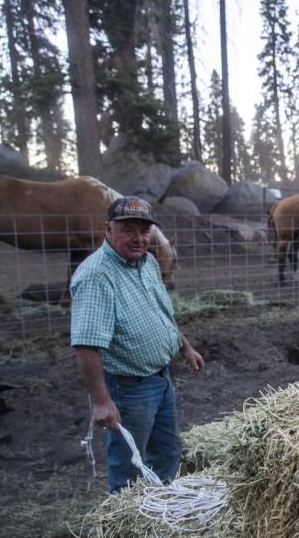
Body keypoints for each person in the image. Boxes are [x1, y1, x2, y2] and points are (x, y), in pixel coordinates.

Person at [70, 196, 204, 492]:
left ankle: (162, 509)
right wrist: (102, 401)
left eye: (144, 231)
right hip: (128, 388)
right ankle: (127, 526)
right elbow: (85, 345)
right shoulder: (96, 277)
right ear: (108, 230)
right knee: (129, 464)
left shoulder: (148, 263)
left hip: (161, 378)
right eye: (128, 229)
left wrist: (185, 346)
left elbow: (161, 311)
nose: (138, 238)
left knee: (168, 451)